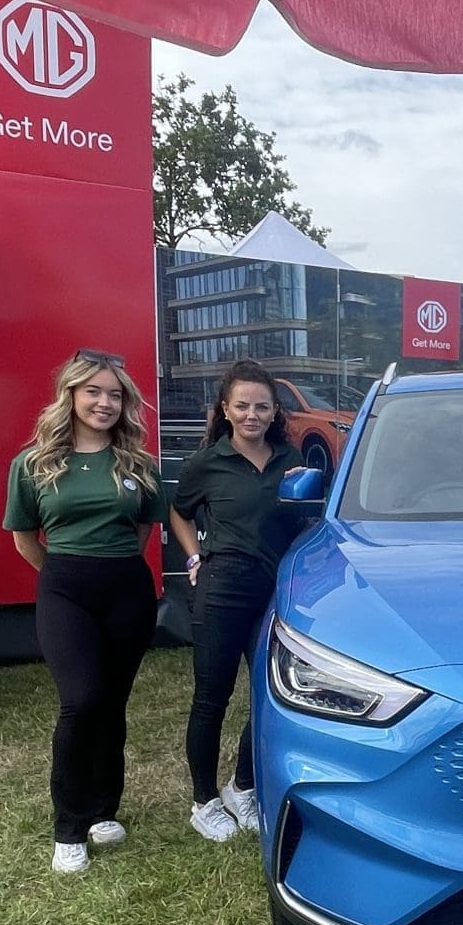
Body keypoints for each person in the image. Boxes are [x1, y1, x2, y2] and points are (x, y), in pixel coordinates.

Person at [3, 350, 167, 875]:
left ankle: (102, 810)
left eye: (115, 394)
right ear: (71, 395)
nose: (105, 402)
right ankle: (68, 827)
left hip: (126, 589)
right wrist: (65, 571)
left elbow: (144, 528)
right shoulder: (33, 464)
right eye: (94, 391)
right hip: (65, 590)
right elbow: (24, 537)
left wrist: (111, 564)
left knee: (113, 701)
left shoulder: (138, 463)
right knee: (81, 699)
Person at [170, 360, 305, 842]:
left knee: (268, 697)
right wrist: (193, 558)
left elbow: (307, 522)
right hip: (222, 590)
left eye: (262, 406)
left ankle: (241, 786)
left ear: (274, 412)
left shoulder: (292, 461)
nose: (252, 414)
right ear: (225, 409)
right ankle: (203, 801)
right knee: (212, 699)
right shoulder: (207, 463)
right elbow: (179, 512)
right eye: (242, 405)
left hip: (274, 594)